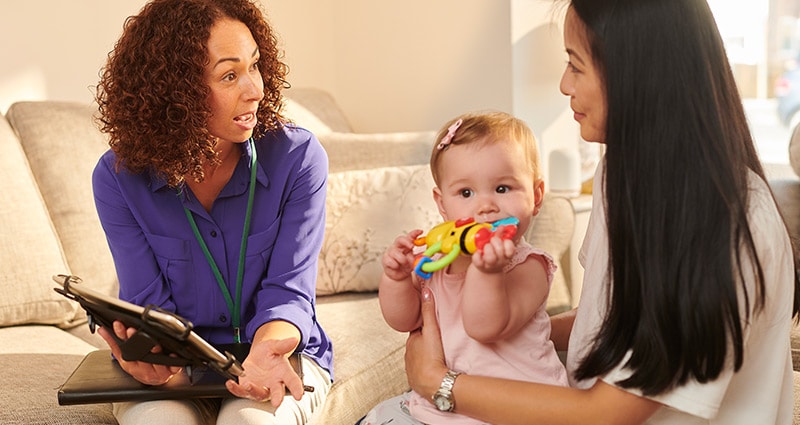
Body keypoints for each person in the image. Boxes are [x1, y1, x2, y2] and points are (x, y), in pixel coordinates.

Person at [363, 0, 800, 424]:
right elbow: (607, 318)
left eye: (575, 65)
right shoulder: (622, 171)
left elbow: (607, 414)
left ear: (634, 73)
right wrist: (514, 336)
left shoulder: (724, 224)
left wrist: (439, 381)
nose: (563, 85)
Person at [91, 0, 332, 423]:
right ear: (175, 93)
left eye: (254, 65)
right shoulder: (118, 177)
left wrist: (268, 351)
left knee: (248, 421)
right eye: (229, 75)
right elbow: (148, 304)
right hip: (180, 365)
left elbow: (289, 292)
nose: (255, 89)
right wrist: (151, 361)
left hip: (278, 354)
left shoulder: (298, 158)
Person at [370, 112, 568, 424]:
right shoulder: (434, 259)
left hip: (518, 409)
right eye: (466, 193)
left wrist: (487, 272)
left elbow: (484, 327)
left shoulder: (529, 266)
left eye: (502, 188)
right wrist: (396, 278)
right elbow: (404, 319)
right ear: (442, 203)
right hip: (444, 406)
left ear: (536, 196)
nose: (485, 206)